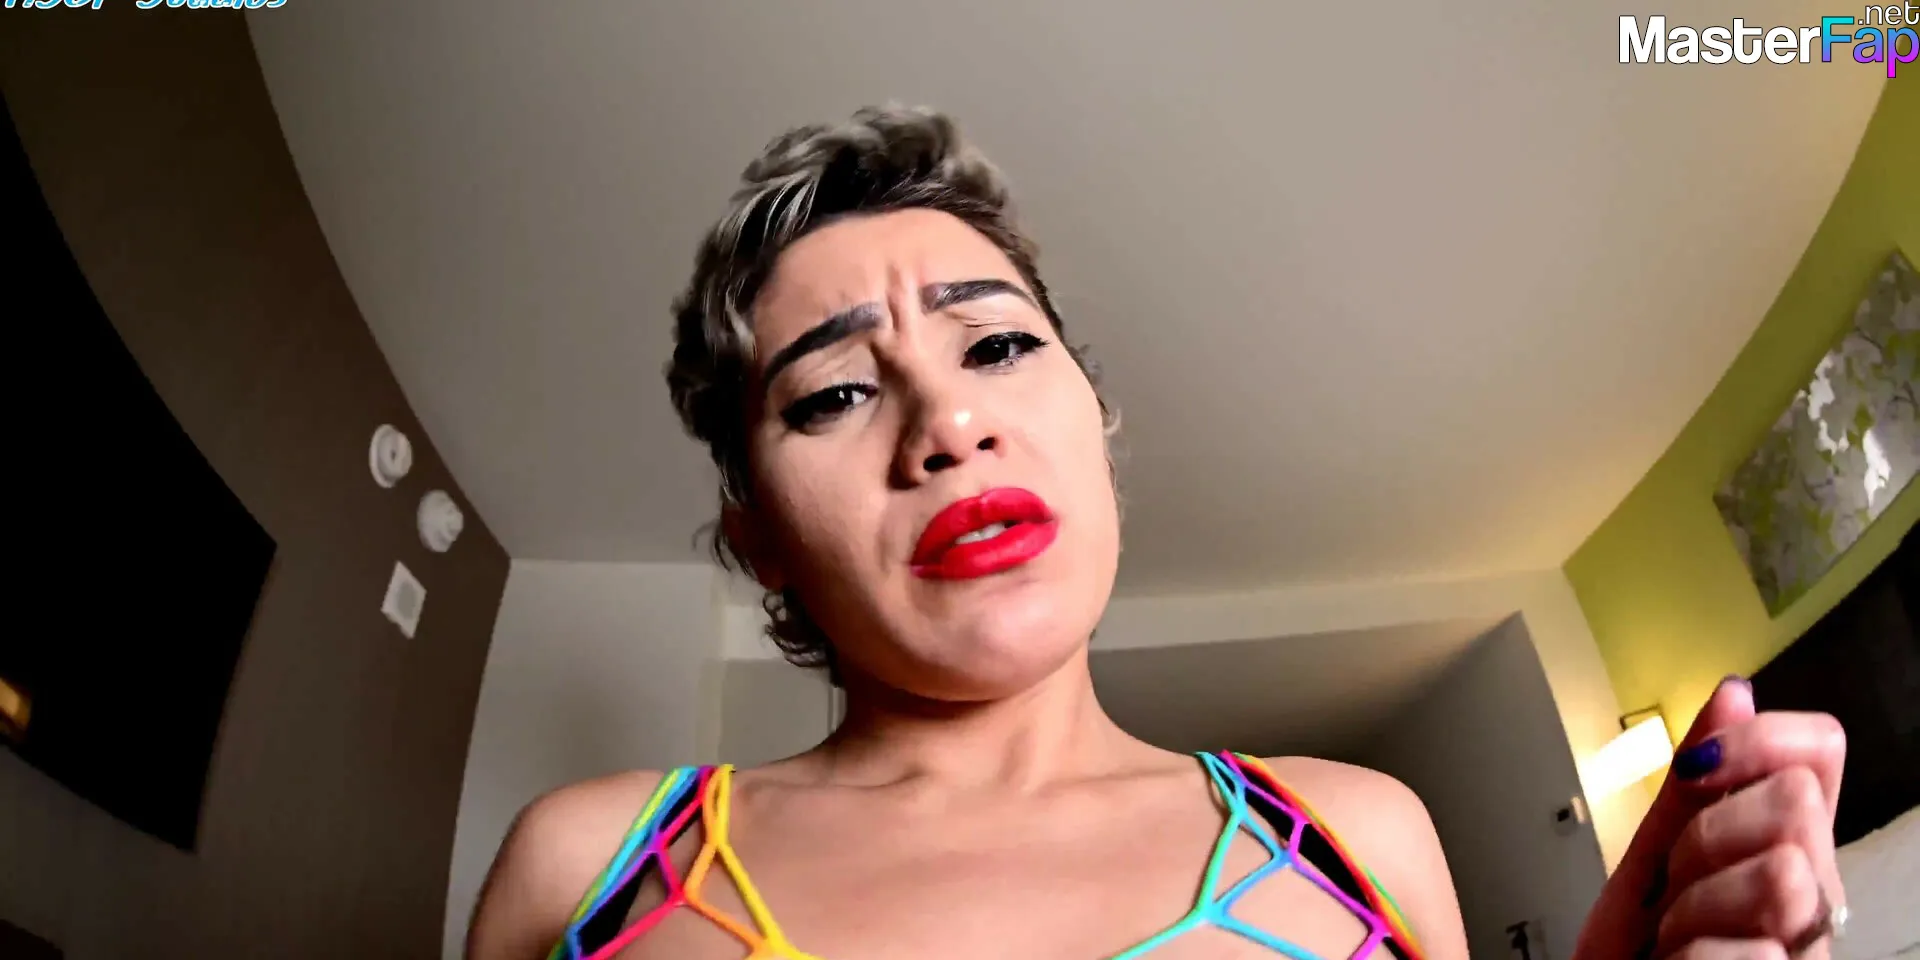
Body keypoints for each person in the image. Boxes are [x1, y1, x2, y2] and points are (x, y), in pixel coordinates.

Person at [467, 106, 1849, 960]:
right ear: (759, 537)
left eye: (998, 346)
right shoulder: (585, 873)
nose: (947, 423)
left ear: (1096, 421)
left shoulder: (1360, 835)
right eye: (833, 393)